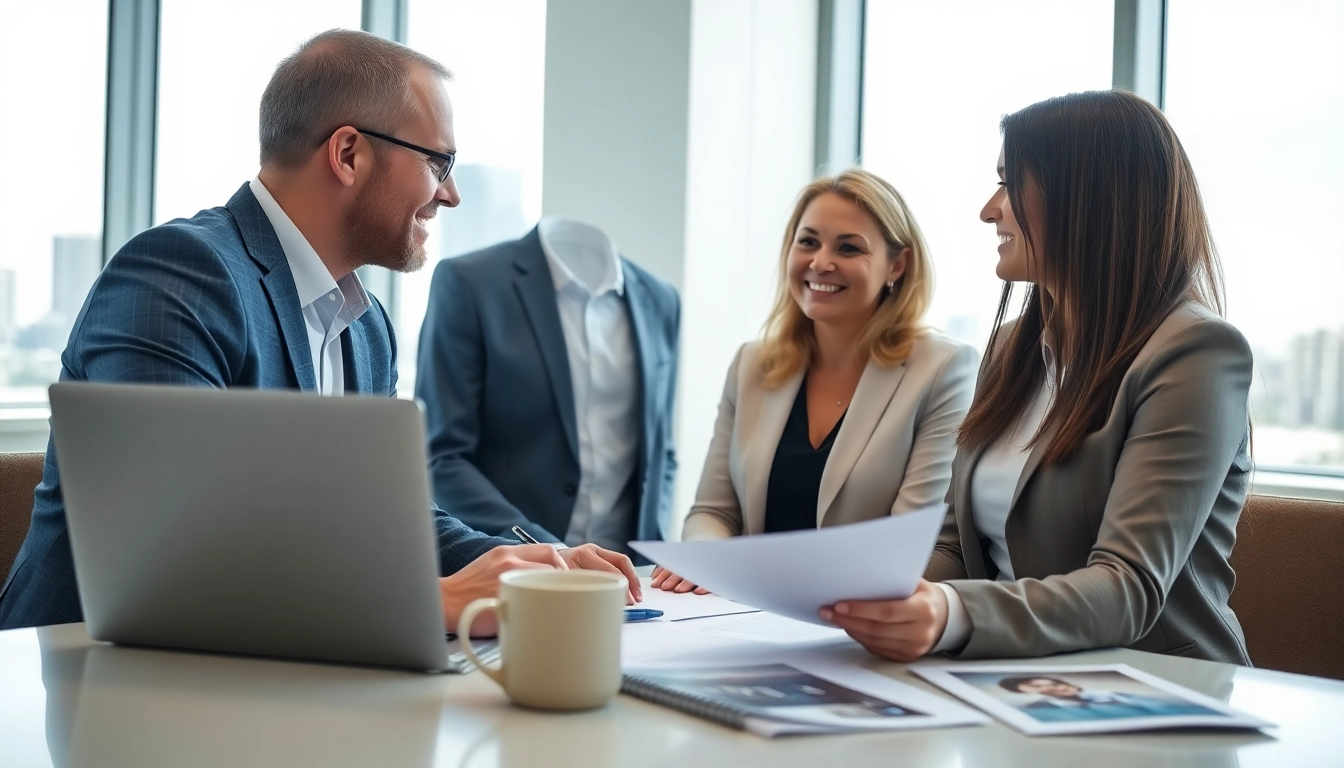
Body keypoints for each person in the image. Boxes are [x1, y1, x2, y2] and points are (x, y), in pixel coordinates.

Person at [0, 29, 638, 634]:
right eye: (439, 161)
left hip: (275, 681)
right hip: (92, 691)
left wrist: (540, 567)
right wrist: (431, 600)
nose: (451, 195)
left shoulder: (368, 330)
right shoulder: (179, 275)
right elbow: (166, 551)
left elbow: (391, 520)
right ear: (349, 153)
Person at [819, 90, 1253, 665]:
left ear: (1090, 199)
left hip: (1158, 693)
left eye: (1009, 182)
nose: (989, 209)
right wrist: (850, 594)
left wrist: (948, 613)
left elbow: (1128, 587)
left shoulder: (1196, 353)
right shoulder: (1009, 350)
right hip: (1012, 679)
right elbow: (954, 547)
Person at [654, 169, 978, 592]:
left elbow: (909, 544)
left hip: (855, 619)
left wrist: (756, 577)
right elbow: (712, 513)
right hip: (739, 614)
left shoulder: (942, 369)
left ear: (896, 265)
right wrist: (706, 560)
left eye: (848, 247)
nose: (821, 262)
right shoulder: (752, 364)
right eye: (808, 241)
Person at [415, 217, 679, 556]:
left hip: (632, 580)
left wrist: (655, 546)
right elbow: (442, 456)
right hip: (515, 569)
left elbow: (662, 453)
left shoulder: (661, 301)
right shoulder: (469, 282)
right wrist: (545, 549)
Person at [997, 676, 1220, 721]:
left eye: (1053, 683)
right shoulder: (1039, 713)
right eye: (1039, 687)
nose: (1055, 688)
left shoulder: (1123, 695)